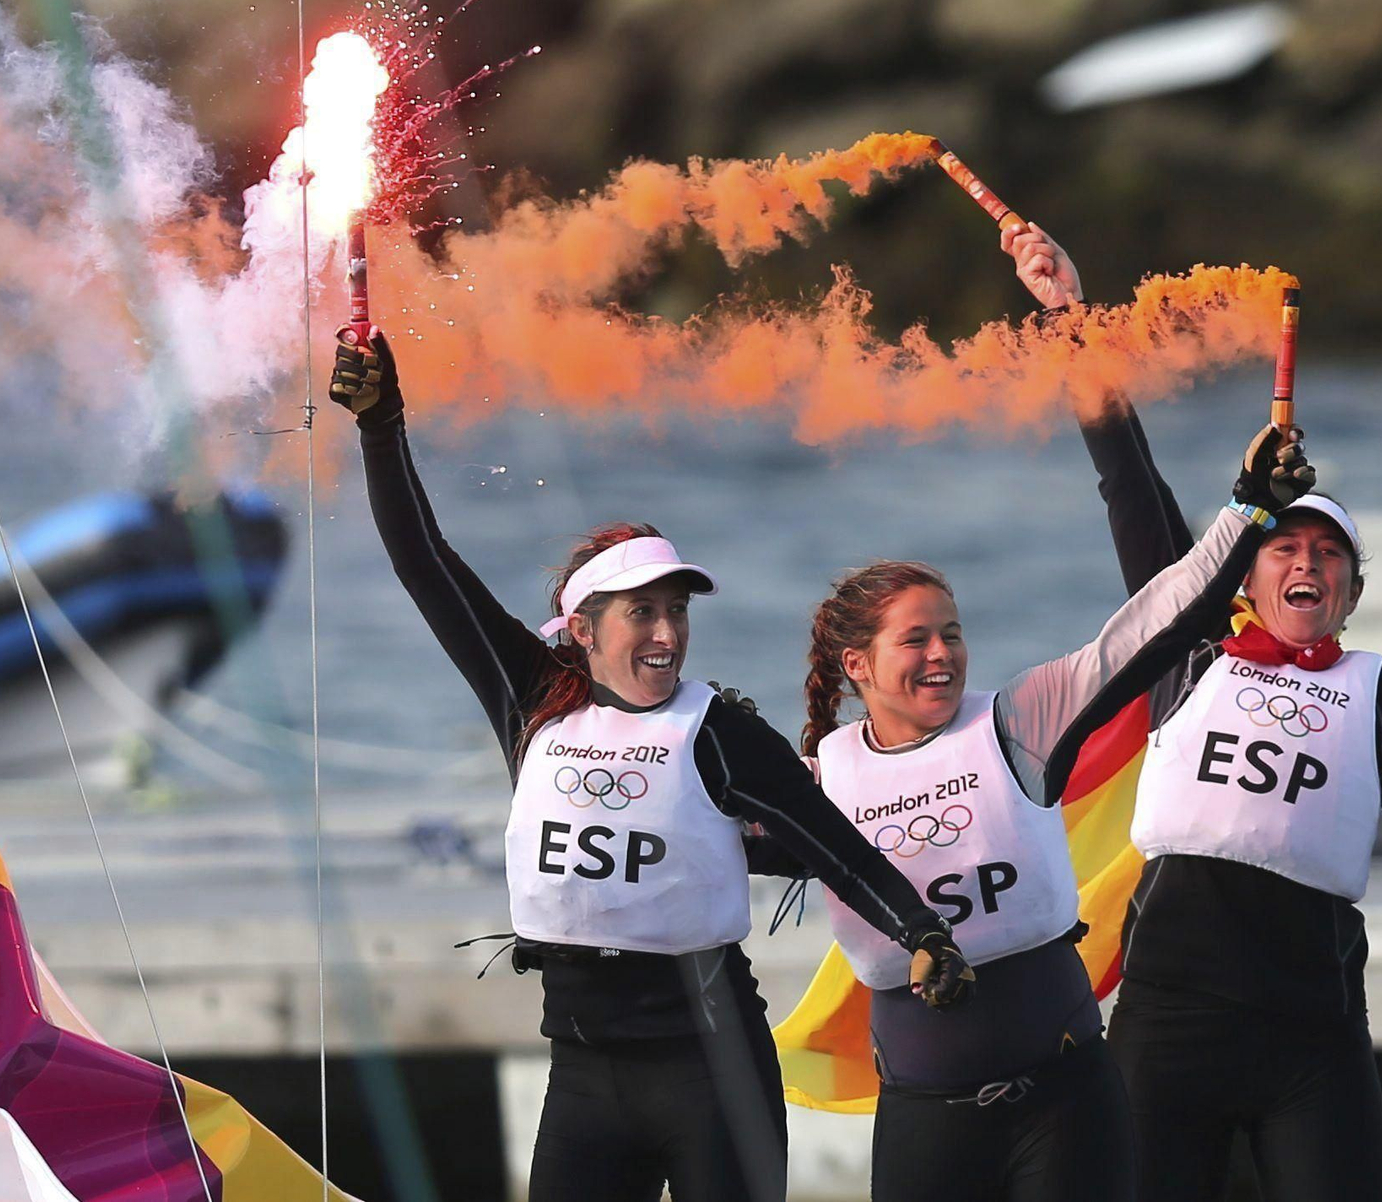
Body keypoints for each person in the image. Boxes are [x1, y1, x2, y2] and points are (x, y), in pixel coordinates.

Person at [327, 335, 974, 1202]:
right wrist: (381, 426)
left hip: (711, 1075)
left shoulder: (718, 732)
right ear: (584, 630)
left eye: (676, 612)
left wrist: (924, 934)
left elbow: (834, 849)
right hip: (584, 1077)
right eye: (643, 614)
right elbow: (425, 563)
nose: (667, 634)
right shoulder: (531, 699)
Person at [793, 222, 1319, 1202]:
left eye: (952, 632)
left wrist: (1249, 507)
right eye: (918, 640)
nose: (944, 653)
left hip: (1114, 1085)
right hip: (950, 1111)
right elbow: (676, 839)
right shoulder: (823, 783)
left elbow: (1163, 602)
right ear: (855, 664)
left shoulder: (1023, 721)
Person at [1002, 220, 1382, 1201]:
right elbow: (1129, 483)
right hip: (1167, 1031)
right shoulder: (1184, 653)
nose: (1306, 563)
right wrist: (1070, 321)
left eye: (1329, 555)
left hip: (1311, 1042)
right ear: (1247, 569)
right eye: (1285, 546)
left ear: (1351, 593)